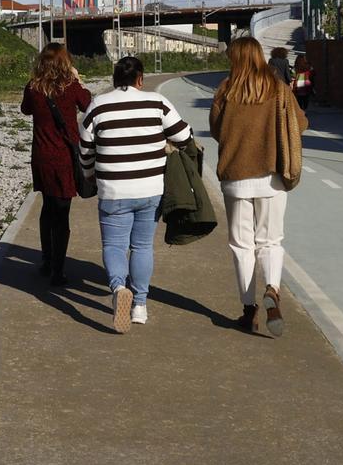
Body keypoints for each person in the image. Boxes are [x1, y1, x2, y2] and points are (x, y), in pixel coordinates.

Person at [79, 55, 193, 331]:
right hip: (150, 189)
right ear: (140, 79)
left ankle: (119, 289)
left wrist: (89, 175)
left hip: (113, 190)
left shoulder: (98, 105)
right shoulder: (157, 102)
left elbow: (84, 149)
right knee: (142, 247)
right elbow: (185, 136)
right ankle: (140, 305)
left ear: (114, 80)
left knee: (114, 246)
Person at [209, 36, 307, 337]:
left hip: (236, 178)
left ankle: (248, 310)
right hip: (272, 177)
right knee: (271, 241)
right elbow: (300, 124)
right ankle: (273, 290)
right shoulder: (278, 88)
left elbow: (215, 130)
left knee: (241, 245)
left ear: (236, 58)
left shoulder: (226, 89)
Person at [19, 43, 92, 287]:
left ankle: (47, 261)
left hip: (41, 156)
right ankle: (58, 271)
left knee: (47, 208)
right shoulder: (70, 87)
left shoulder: (33, 87)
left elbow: (25, 109)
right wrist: (77, 79)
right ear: (65, 63)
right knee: (62, 214)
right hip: (64, 159)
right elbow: (87, 104)